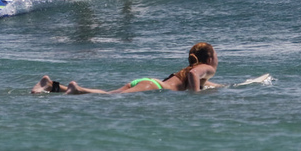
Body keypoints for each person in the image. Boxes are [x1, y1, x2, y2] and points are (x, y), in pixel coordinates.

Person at [32, 42, 221, 94]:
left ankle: (51, 85)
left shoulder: (187, 73)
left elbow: (204, 82)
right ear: (210, 58)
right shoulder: (204, 68)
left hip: (148, 83)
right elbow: (196, 74)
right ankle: (76, 88)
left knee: (107, 94)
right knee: (108, 97)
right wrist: (196, 97)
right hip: (153, 86)